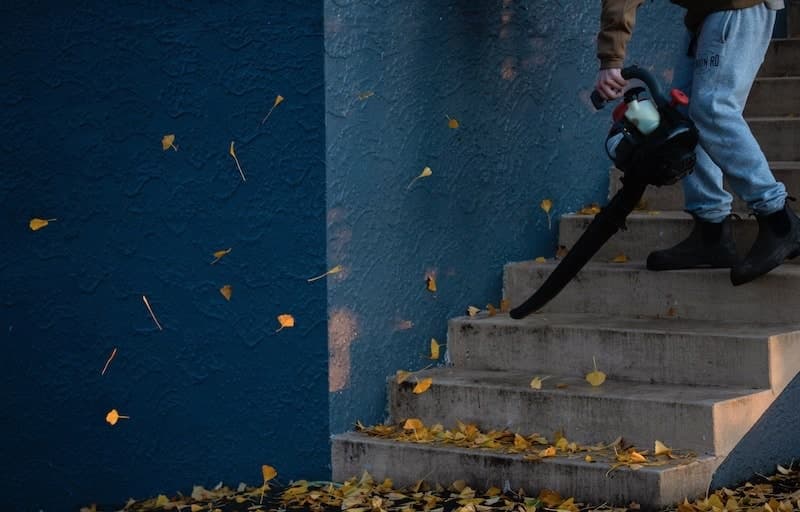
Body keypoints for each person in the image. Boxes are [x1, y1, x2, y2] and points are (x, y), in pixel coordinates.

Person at [595, 0, 800, 285]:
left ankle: (779, 221)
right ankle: (712, 232)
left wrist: (611, 59)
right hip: (709, 13)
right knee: (683, 116)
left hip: (736, 6)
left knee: (712, 108)